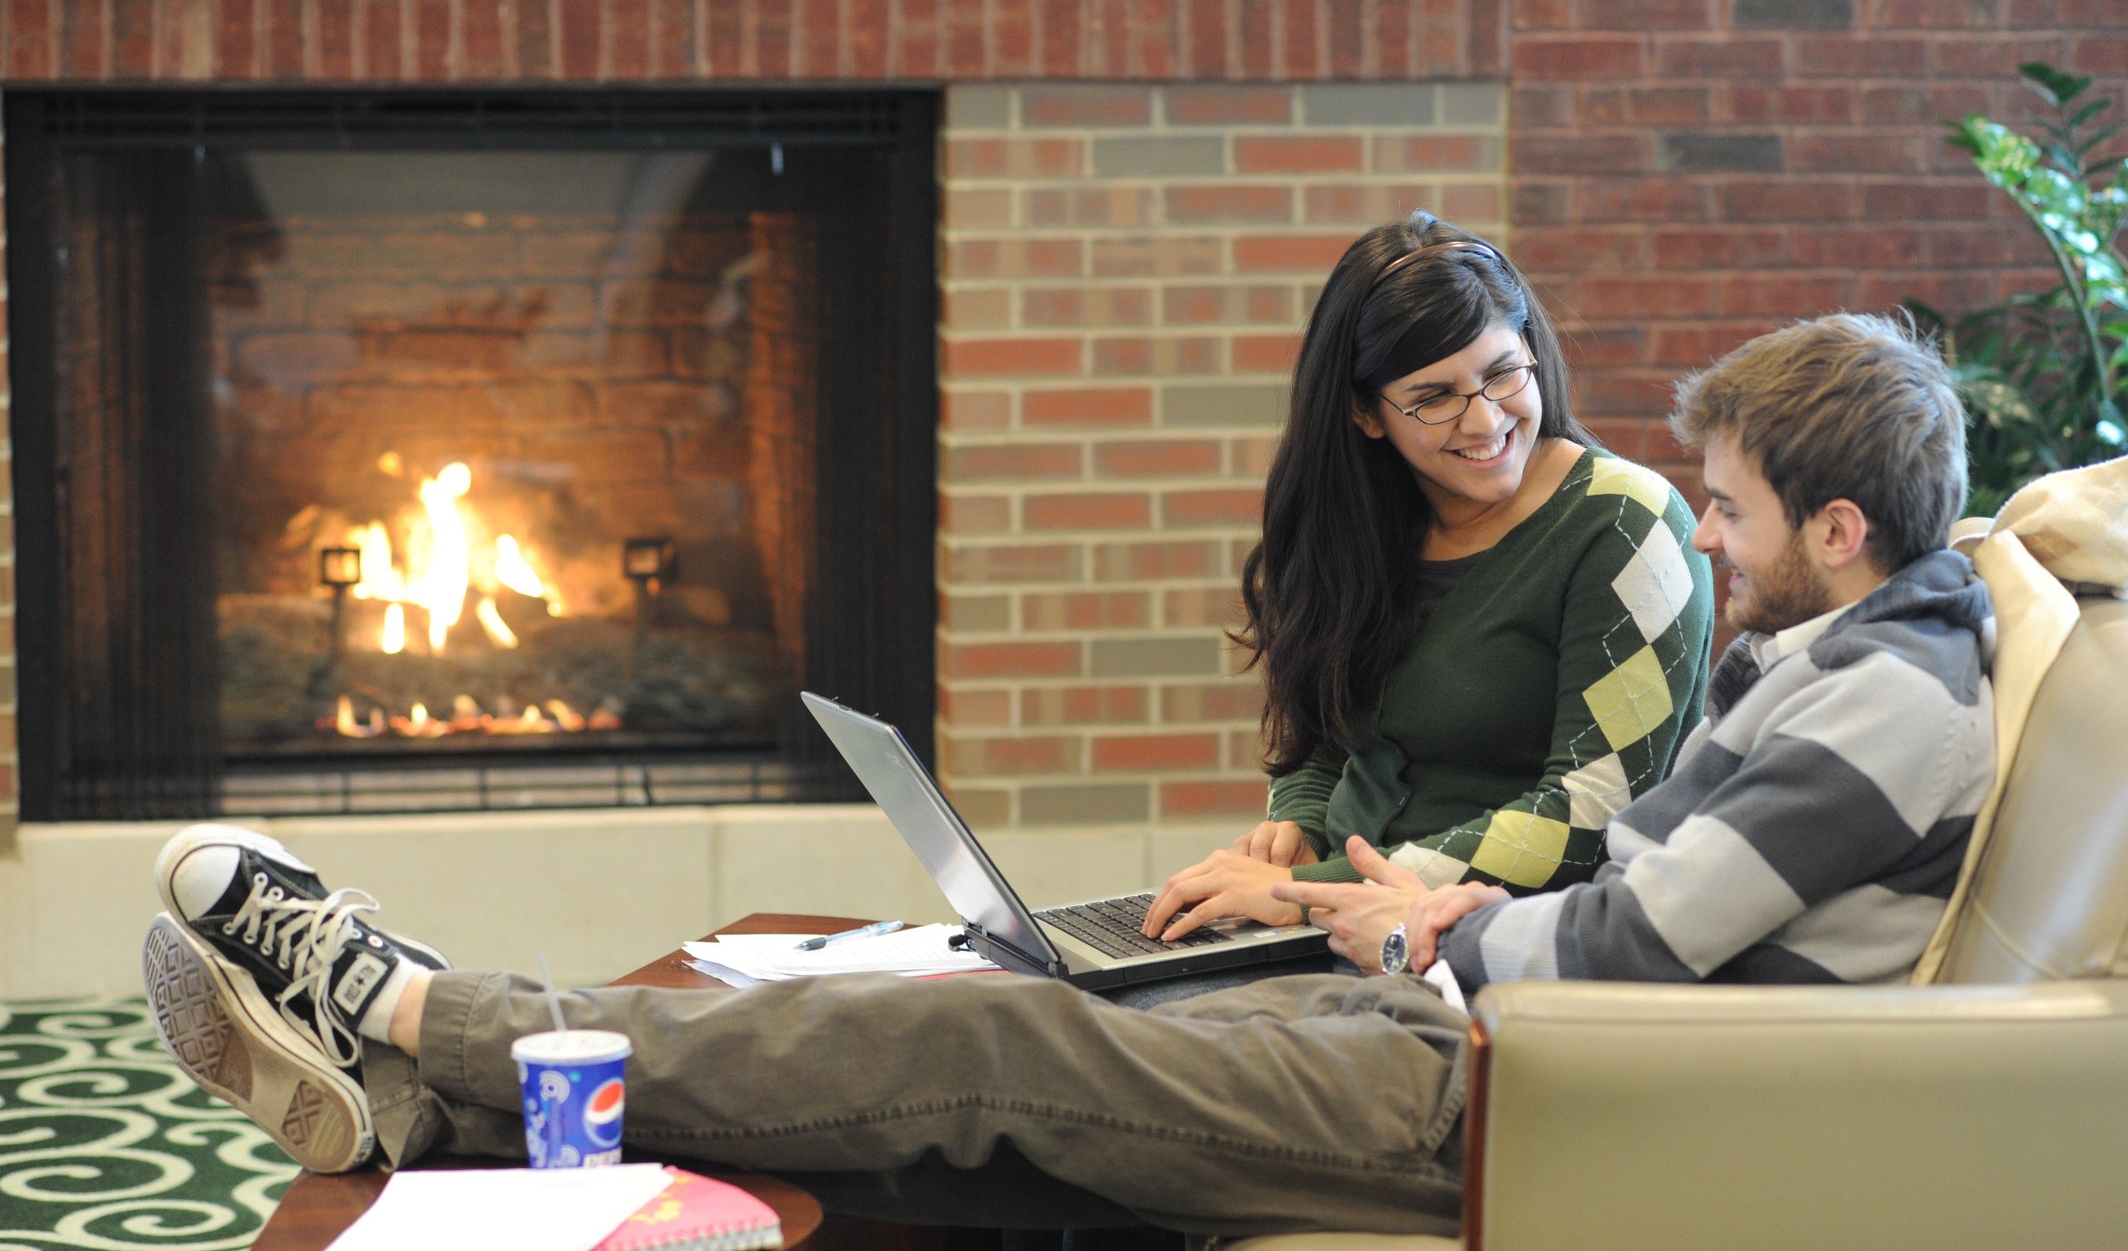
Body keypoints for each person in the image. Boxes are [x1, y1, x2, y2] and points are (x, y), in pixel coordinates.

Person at [142, 313, 1992, 1241]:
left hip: (1517, 1104)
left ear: (1834, 525)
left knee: (993, 1051)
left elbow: (1636, 951)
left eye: (1739, 510)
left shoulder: (1882, 707)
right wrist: (1414, 912)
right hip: (1479, 1026)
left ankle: (416, 1014)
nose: (1715, 536)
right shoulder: (1839, 660)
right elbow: (1624, 912)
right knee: (997, 1001)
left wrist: (1424, 930)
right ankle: (438, 1112)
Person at [1141, 211, 1715, 948]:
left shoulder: (1629, 525)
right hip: (1332, 926)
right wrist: (1294, 826)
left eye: (1503, 373)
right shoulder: (1355, 522)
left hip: (1484, 943)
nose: (1484, 421)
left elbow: (1593, 813)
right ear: (1365, 414)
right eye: (1435, 397)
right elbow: (1322, 741)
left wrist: (1313, 891)